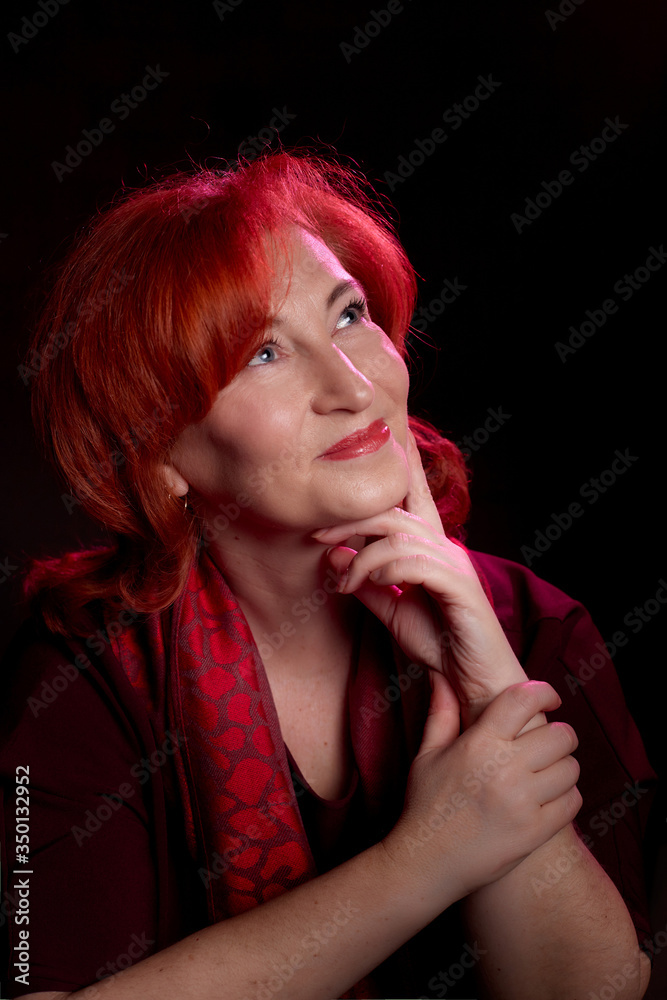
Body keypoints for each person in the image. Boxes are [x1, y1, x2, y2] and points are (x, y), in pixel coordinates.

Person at [0, 149, 656, 1000]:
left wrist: (489, 685)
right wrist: (428, 858)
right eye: (261, 355)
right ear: (160, 455)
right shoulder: (83, 667)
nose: (352, 385)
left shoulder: (536, 624)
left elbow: (599, 992)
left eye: (348, 315)